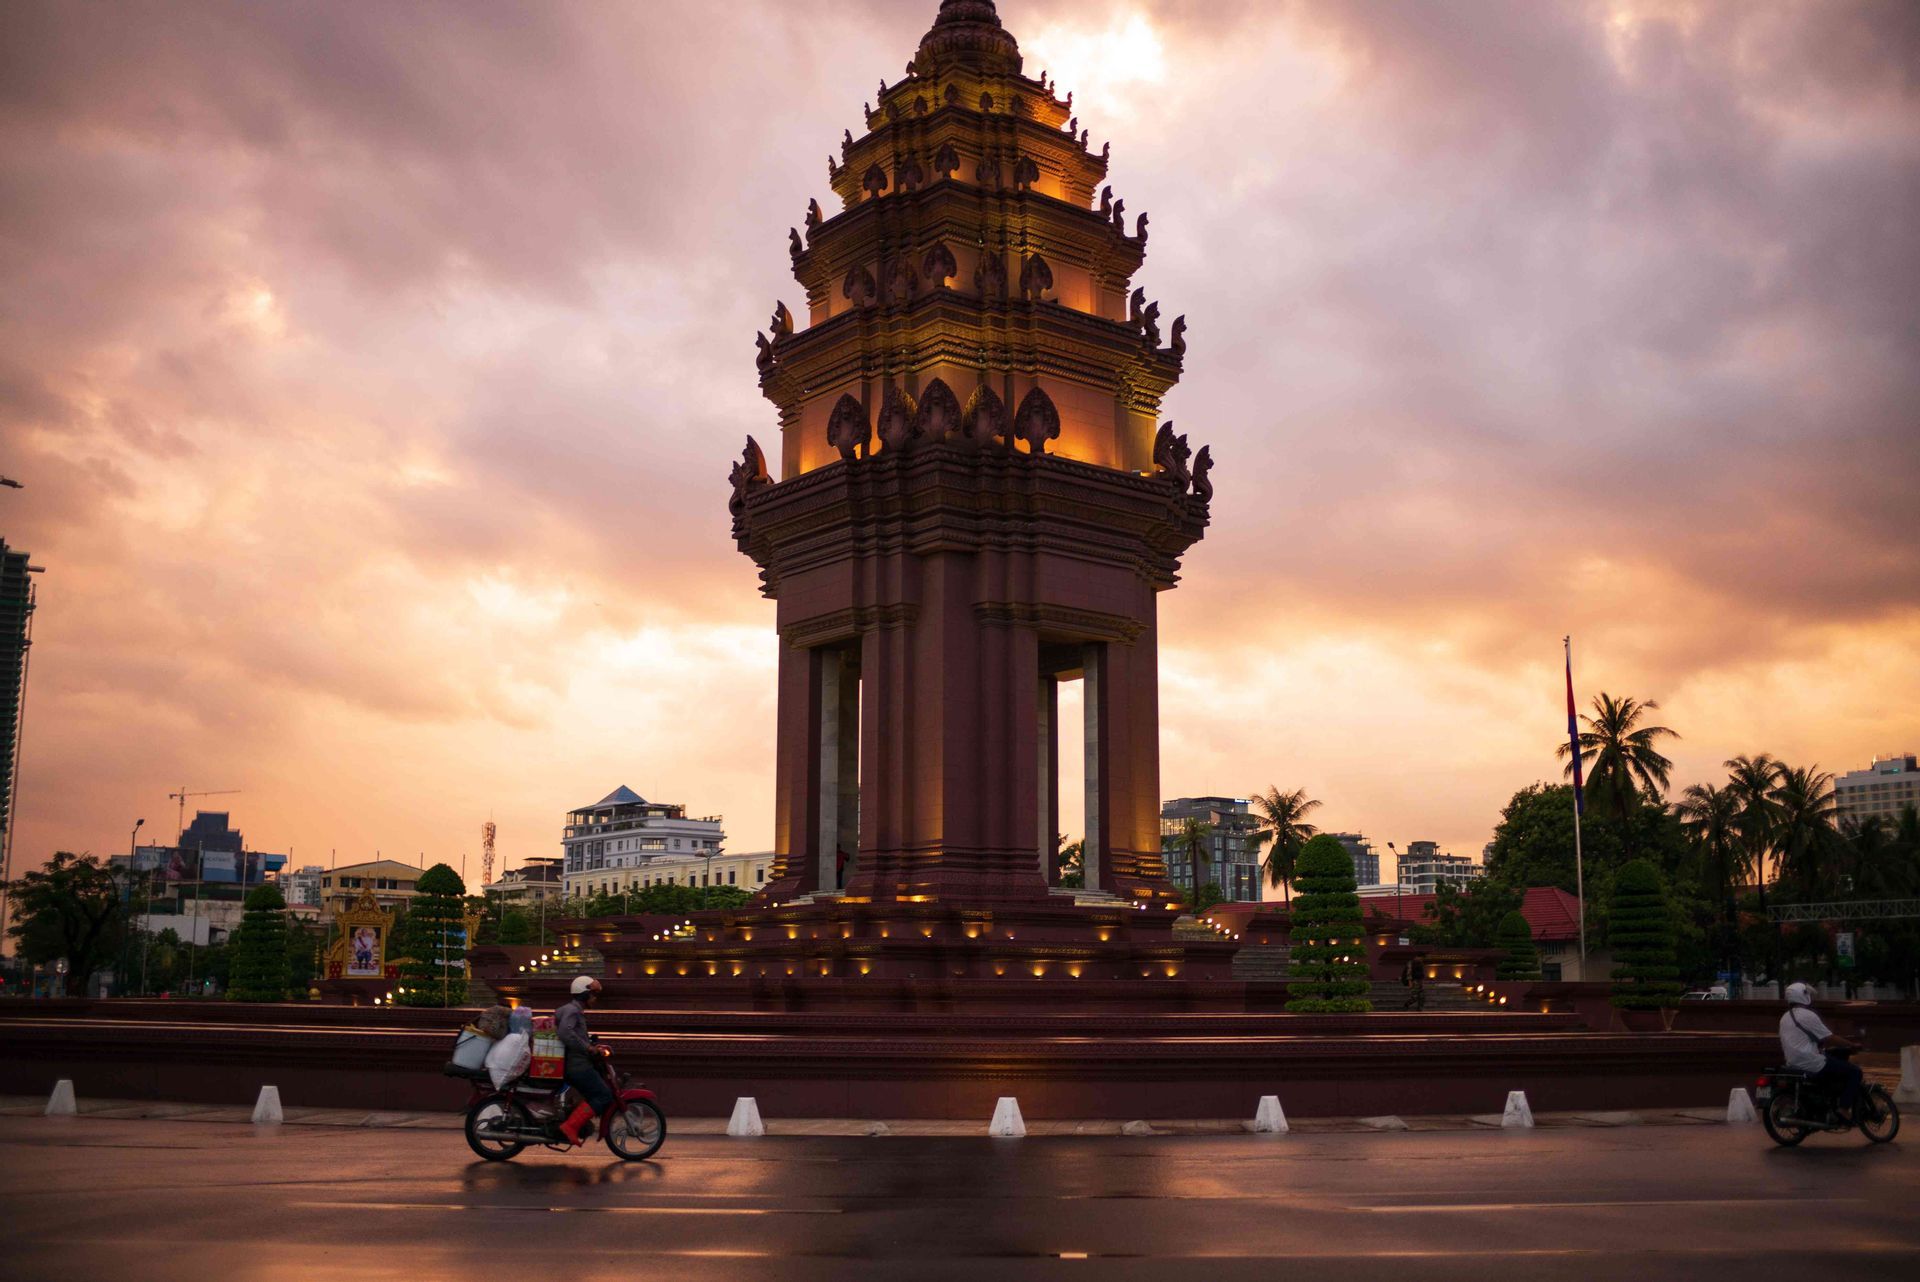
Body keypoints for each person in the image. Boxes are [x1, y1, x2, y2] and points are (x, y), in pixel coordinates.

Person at [1778, 981, 1864, 1121]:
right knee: (1855, 1072)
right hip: (1811, 1062)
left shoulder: (1785, 1017)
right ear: (1804, 996)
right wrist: (1851, 1045)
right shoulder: (1807, 1015)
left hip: (1793, 1062)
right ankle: (1843, 1108)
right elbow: (1829, 1037)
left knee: (1833, 1058)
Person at [555, 975, 612, 1146]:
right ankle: (570, 1127)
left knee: (593, 1095)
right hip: (577, 1065)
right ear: (584, 994)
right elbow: (566, 1033)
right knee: (603, 1095)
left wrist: (593, 1046)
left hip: (575, 1063)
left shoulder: (572, 1009)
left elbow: (575, 1035)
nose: (595, 999)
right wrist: (587, 1048)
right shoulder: (573, 1010)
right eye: (593, 995)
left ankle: (575, 1123)